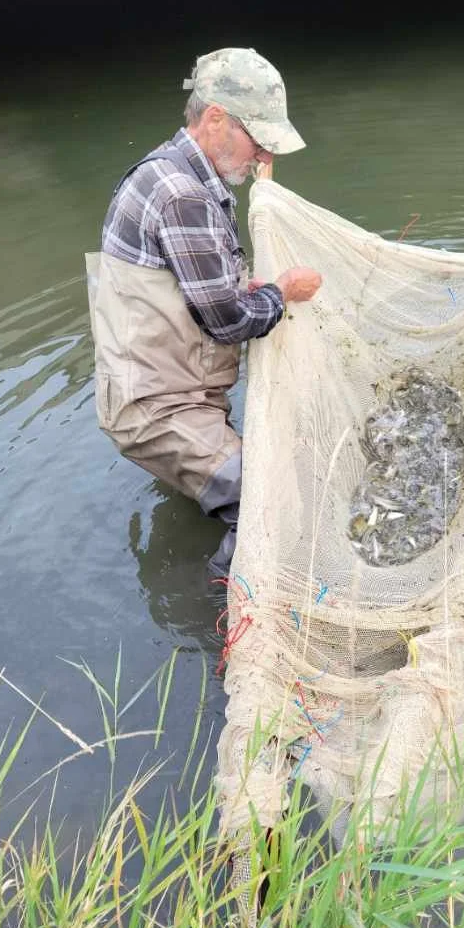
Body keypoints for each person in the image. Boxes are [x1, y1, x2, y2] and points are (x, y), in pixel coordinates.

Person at [87, 47, 322, 579]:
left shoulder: (183, 174)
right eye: (257, 139)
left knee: (251, 483)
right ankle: (223, 606)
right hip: (156, 408)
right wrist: (282, 293)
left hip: (172, 387)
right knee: (272, 503)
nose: (263, 156)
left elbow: (202, 288)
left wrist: (245, 286)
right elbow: (230, 323)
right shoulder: (182, 195)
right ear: (215, 119)